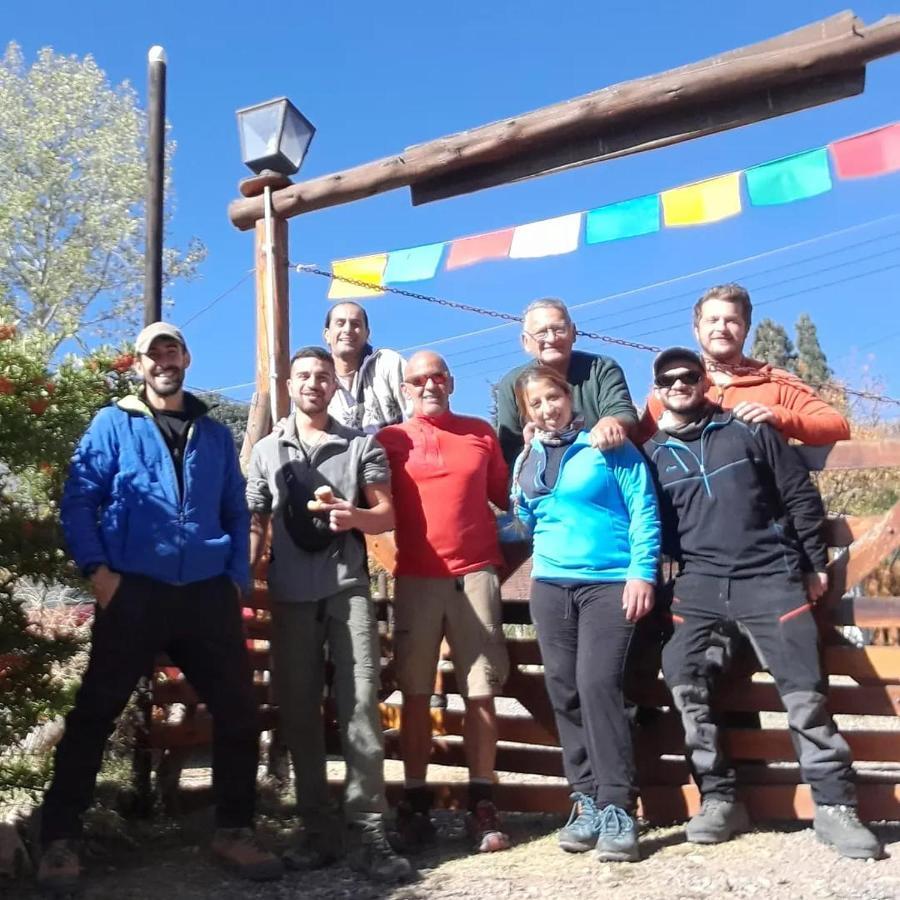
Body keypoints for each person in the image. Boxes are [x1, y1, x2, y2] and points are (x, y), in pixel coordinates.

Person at [39, 322, 282, 893]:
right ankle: (59, 839)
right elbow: (79, 501)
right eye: (153, 353)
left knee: (238, 712)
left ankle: (234, 830)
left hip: (204, 594)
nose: (163, 360)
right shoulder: (112, 424)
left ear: (187, 358)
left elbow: (233, 508)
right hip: (135, 591)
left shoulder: (215, 434)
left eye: (171, 350)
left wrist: (233, 580)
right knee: (95, 713)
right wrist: (99, 574)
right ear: (140, 365)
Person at [643, 347, 882, 860]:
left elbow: (798, 495)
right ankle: (719, 798)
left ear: (705, 382)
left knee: (804, 689)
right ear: (658, 390)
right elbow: (648, 526)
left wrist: (814, 563)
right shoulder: (654, 455)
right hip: (700, 584)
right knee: (681, 673)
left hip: (769, 575)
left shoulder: (750, 430)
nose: (679, 385)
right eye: (669, 380)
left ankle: (835, 805)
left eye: (689, 376)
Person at [245, 346, 411, 884]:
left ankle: (368, 828)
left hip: (348, 589)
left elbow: (384, 513)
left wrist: (352, 516)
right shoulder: (267, 452)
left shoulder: (359, 444)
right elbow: (255, 522)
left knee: (361, 702)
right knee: (297, 708)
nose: (314, 383)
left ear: (333, 387)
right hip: (290, 594)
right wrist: (242, 576)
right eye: (304, 376)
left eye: (322, 376)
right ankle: (315, 827)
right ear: (290, 385)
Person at [512, 366, 660, 862]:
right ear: (527, 413)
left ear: (568, 397)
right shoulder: (530, 456)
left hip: (609, 582)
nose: (547, 408)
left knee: (599, 685)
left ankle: (619, 806)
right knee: (565, 689)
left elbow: (643, 506)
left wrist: (643, 572)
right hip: (551, 585)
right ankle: (586, 800)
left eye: (552, 397)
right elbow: (528, 519)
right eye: (536, 404)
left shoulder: (607, 444)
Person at [377, 351, 512, 854]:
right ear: (405, 388)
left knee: (481, 692)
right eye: (418, 379)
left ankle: (482, 803)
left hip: (476, 575)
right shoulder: (389, 440)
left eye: (437, 376)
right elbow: (371, 501)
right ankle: (414, 804)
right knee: (414, 694)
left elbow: (510, 497)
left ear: (450, 382)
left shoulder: (479, 431)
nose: (428, 384)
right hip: (414, 578)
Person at [638, 283, 850, 445]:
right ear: (696, 330)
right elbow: (638, 446)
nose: (721, 328)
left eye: (731, 321)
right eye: (712, 320)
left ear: (746, 329)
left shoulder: (775, 382)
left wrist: (779, 417)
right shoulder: (674, 386)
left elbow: (837, 427)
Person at [495, 297, 639, 472]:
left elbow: (622, 410)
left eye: (559, 329)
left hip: (604, 470)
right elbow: (508, 447)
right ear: (526, 342)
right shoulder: (512, 384)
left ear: (574, 332)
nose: (551, 338)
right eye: (541, 333)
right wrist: (528, 449)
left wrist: (610, 422)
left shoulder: (601, 368)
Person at [323, 301, 407, 433]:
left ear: (367, 333)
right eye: (340, 323)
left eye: (355, 324)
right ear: (327, 335)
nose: (347, 329)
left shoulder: (387, 362)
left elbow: (417, 411)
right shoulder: (317, 379)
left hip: (389, 451)